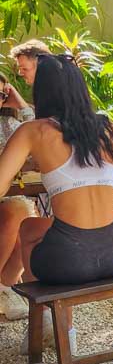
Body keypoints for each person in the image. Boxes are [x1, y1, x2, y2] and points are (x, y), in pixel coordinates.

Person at [0, 54, 113, 350]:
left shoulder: (34, 131)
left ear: (42, 90)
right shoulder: (105, 126)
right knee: (39, 227)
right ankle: (59, 330)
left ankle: (51, 323)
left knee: (28, 228)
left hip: (70, 261)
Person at [0, 70, 36, 320]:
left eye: (2, 95)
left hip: (7, 194)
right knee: (18, 212)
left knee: (28, 222)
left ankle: (5, 286)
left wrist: (21, 105)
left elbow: (40, 134)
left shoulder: (8, 125)